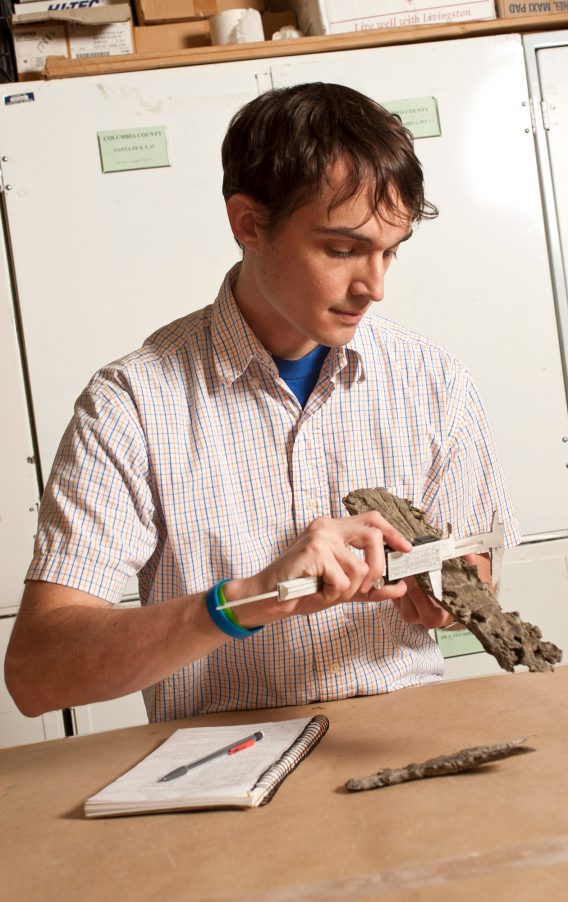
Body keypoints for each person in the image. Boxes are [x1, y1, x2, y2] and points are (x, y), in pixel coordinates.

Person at [5, 83, 520, 722]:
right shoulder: (131, 405)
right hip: (219, 777)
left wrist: (451, 588)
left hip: (401, 747)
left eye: (391, 251)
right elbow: (36, 674)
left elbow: (479, 567)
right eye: (342, 249)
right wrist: (244, 600)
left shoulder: (436, 382)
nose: (375, 286)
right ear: (249, 223)